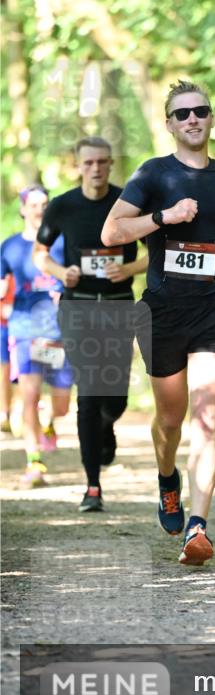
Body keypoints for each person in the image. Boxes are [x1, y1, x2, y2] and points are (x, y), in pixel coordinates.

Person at [100, 79, 215, 567]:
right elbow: (112, 231)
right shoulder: (153, 175)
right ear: (168, 124)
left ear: (211, 119)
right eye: (182, 113)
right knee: (171, 420)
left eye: (200, 111)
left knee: (208, 416)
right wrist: (164, 217)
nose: (192, 119)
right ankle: (168, 480)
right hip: (164, 311)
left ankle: (198, 527)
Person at [34, 138, 147, 512]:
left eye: (101, 162)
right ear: (78, 166)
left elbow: (156, 251)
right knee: (88, 393)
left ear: (111, 164)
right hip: (78, 307)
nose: (95, 169)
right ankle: (92, 486)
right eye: (88, 163)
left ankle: (107, 423)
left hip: (117, 307)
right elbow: (40, 254)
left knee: (113, 398)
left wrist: (128, 269)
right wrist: (59, 271)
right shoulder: (63, 206)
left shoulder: (129, 204)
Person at [0, 185, 74, 485]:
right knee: (28, 395)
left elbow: (75, 277)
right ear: (23, 209)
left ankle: (49, 421)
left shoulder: (62, 243)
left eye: (44, 204)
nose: (39, 209)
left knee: (62, 405)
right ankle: (34, 461)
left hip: (58, 332)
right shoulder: (10, 247)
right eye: (34, 204)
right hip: (24, 329)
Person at [0, 272, 15, 433]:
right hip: (2, 326)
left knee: (26, 373)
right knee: (5, 370)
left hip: (25, 326)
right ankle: (5, 413)